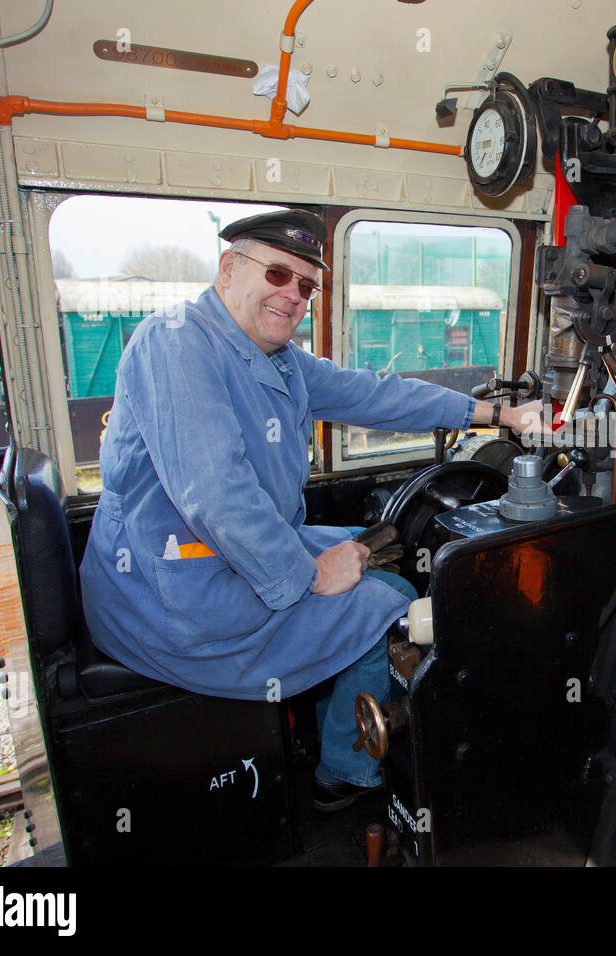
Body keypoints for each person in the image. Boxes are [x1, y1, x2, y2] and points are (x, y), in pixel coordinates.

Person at [79, 208, 540, 810]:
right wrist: (311, 575)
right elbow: (214, 492)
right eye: (277, 274)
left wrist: (500, 416)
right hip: (172, 598)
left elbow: (375, 393)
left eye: (306, 286)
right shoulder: (175, 344)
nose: (293, 295)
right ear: (228, 268)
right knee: (390, 603)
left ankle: (330, 716)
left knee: (377, 542)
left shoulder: (277, 359)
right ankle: (343, 770)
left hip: (210, 562)